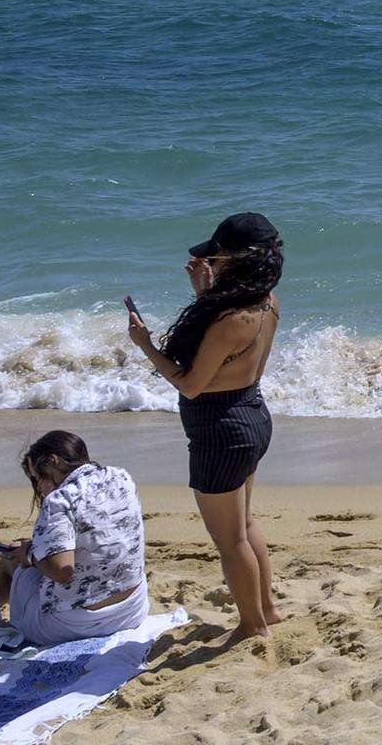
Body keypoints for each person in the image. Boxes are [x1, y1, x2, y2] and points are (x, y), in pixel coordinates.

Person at [126, 212, 283, 643]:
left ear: (237, 258)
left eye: (216, 255)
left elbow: (192, 385)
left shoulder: (230, 316)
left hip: (220, 431)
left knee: (229, 540)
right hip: (251, 415)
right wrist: (205, 292)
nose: (210, 262)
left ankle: (253, 626)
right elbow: (229, 355)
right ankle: (268, 608)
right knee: (245, 525)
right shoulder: (266, 301)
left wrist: (146, 347)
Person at [0, 431, 149, 646]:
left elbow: (63, 571)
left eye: (38, 478)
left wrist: (30, 556)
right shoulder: (121, 477)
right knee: (27, 551)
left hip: (76, 625)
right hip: (132, 610)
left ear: (53, 462)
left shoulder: (60, 499)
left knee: (11, 560)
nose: (40, 488)